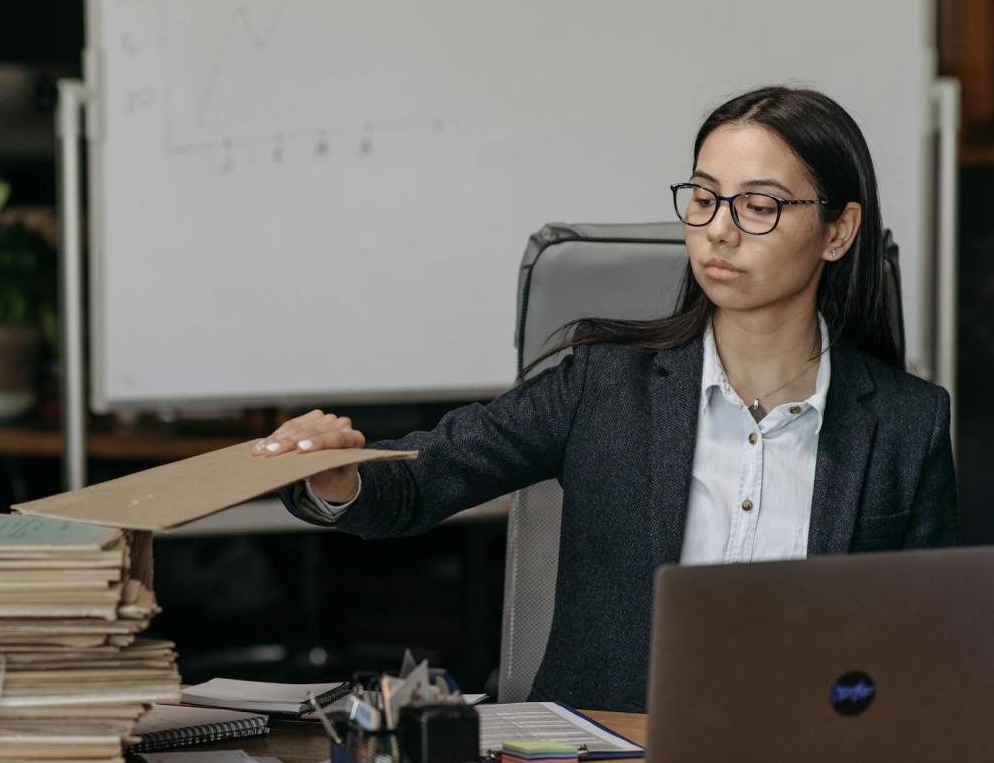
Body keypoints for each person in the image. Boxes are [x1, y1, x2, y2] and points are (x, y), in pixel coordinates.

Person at [254, 86, 959, 711]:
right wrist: (337, 478)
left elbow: (930, 650)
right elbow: (421, 478)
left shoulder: (905, 422)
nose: (718, 228)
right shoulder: (604, 385)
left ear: (837, 231)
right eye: (706, 197)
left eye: (759, 206)